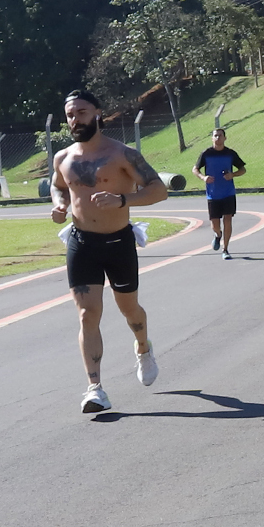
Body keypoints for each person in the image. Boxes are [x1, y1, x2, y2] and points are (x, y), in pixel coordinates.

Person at [50, 87, 170, 414]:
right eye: (70, 115)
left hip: (118, 242)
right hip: (81, 242)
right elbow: (58, 186)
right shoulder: (63, 158)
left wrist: (122, 200)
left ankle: (143, 348)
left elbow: (158, 190)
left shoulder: (122, 155)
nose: (75, 120)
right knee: (88, 314)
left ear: (98, 114)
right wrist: (59, 205)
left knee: (129, 309)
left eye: (82, 113)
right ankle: (94, 388)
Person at [194, 128, 246, 256]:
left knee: (228, 219)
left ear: (225, 138)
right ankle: (218, 235)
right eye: (215, 136)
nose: (218, 138)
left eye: (220, 136)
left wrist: (232, 175)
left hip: (228, 192)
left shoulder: (230, 153)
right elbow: (195, 169)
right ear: (212, 138)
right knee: (215, 225)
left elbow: (243, 169)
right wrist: (203, 177)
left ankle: (225, 249)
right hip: (213, 194)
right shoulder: (206, 153)